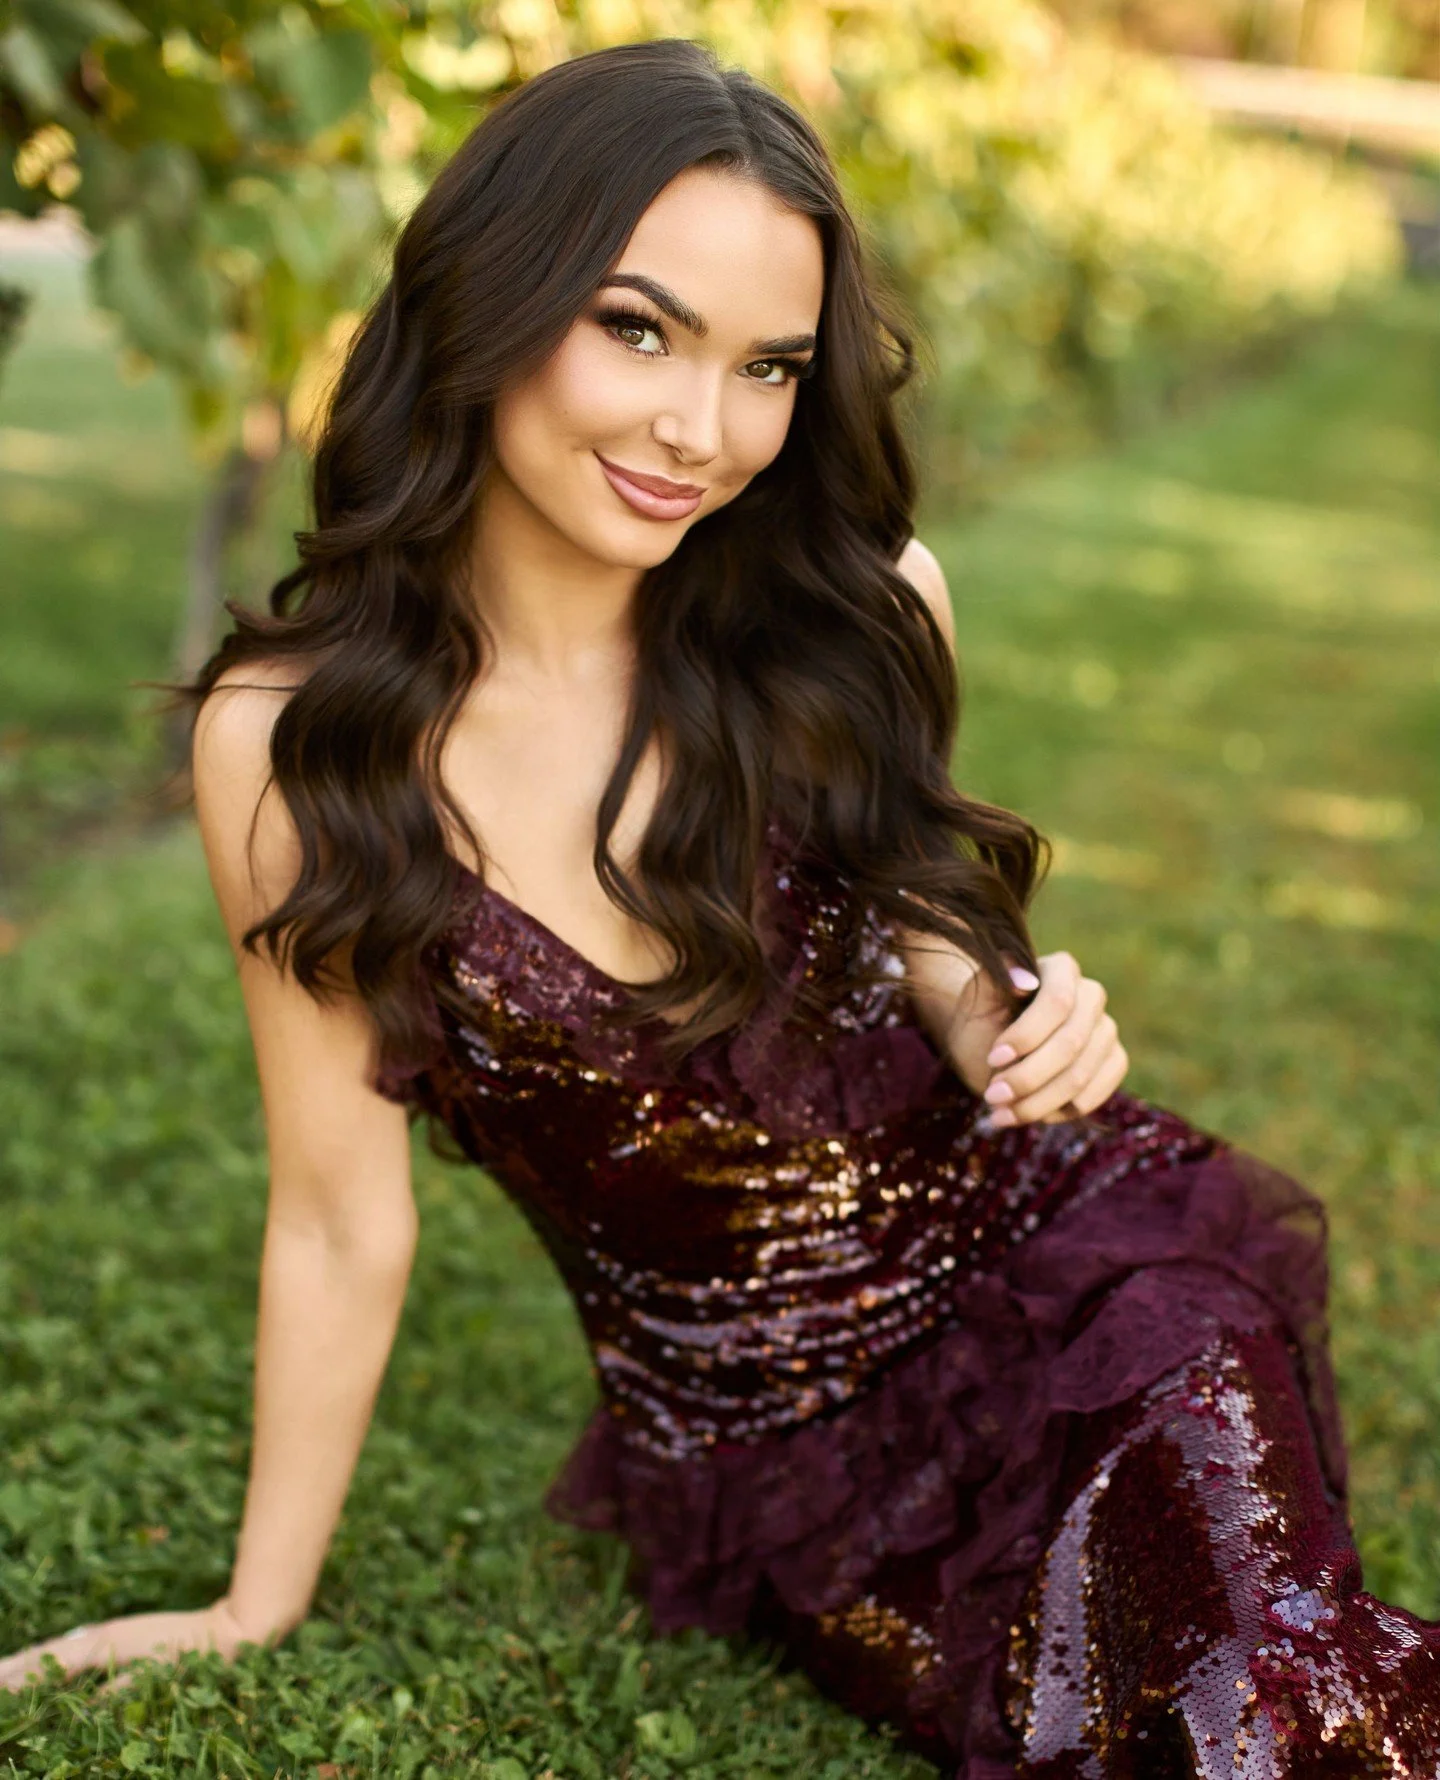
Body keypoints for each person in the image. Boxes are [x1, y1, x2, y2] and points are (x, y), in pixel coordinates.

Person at [3, 35, 1437, 1777]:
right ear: (488, 297)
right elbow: (332, 1217)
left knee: (1263, 1683)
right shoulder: (298, 747)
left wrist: (1022, 1015)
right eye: (636, 328)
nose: (705, 431)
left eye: (768, 367)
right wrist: (255, 1604)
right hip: (782, 1469)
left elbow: (927, 926)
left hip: (1087, 1293)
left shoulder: (861, 605)